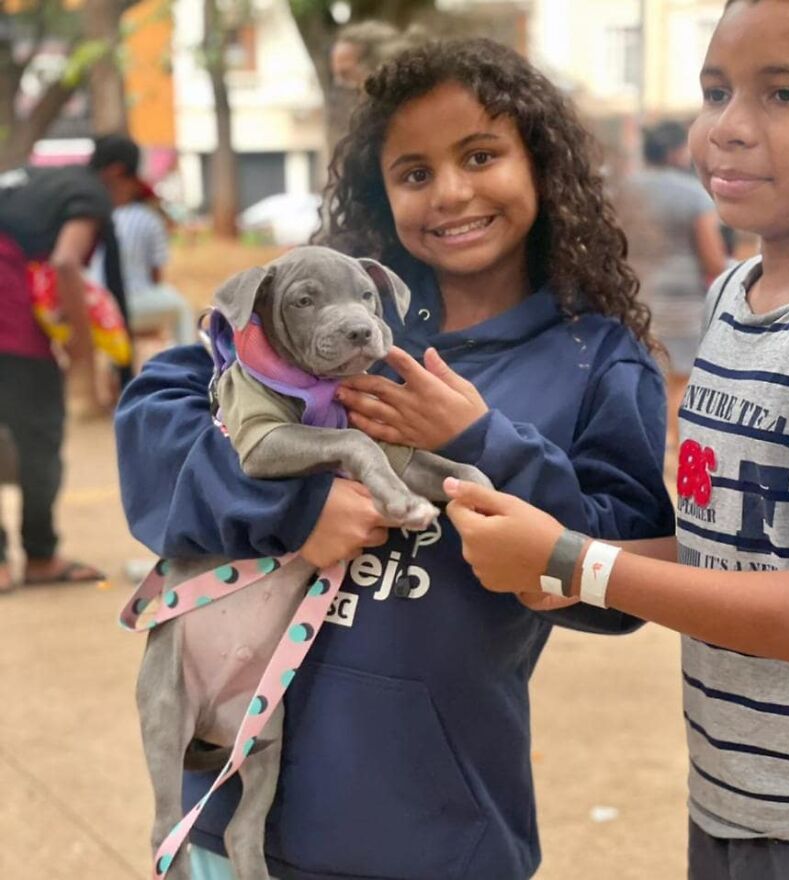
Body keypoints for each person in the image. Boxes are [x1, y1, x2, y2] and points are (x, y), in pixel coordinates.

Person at [115, 37, 674, 880]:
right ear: (382, 193)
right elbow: (152, 416)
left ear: (544, 167)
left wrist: (482, 443)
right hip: (233, 817)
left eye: (481, 156)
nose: (450, 193)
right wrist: (293, 508)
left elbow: (622, 579)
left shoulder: (597, 363)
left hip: (432, 834)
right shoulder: (319, 315)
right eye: (414, 173)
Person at [437, 2, 789, 877]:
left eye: (785, 95)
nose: (730, 129)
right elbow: (733, 546)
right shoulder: (737, 297)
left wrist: (576, 562)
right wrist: (559, 567)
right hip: (730, 795)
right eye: (716, 92)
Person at [0, 134, 140, 593]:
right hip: (10, 319)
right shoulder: (88, 191)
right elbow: (65, 262)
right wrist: (82, 350)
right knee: (39, 436)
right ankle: (39, 557)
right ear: (118, 173)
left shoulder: (36, 179)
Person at [622, 119, 728, 455]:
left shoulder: (621, 191)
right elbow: (712, 260)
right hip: (681, 305)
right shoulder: (694, 195)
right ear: (674, 152)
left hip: (628, 299)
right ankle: (679, 457)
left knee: (636, 378)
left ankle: (644, 451)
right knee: (680, 382)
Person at [89, 140, 194, 348]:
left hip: (91, 303)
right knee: (183, 308)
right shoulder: (150, 220)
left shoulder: (90, 215)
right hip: (131, 303)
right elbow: (155, 277)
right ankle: (188, 363)